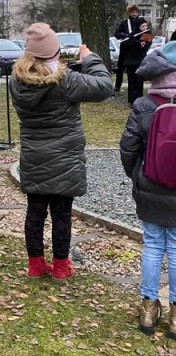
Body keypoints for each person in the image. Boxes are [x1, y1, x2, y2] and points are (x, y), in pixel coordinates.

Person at [9, 23, 113, 281]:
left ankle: (35, 265)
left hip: (34, 156)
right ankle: (61, 267)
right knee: (61, 215)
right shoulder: (66, 81)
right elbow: (104, 85)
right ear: (56, 52)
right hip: (65, 159)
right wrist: (89, 58)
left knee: (35, 212)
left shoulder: (17, 80)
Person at [120, 42, 176, 338]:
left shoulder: (144, 105)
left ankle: (148, 310)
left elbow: (128, 149)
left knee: (153, 245)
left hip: (150, 185)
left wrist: (138, 176)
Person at [114, 4, 145, 93]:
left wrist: (145, 44)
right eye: (132, 12)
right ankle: (117, 86)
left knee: (137, 70)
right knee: (120, 67)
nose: (134, 14)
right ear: (129, 13)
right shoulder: (124, 23)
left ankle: (137, 90)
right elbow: (117, 34)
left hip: (137, 51)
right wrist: (125, 35)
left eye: (136, 12)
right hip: (125, 49)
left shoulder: (142, 22)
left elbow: (148, 34)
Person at [123, 20, 152, 105]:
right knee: (131, 82)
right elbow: (127, 46)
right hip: (130, 62)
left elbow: (145, 47)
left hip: (140, 61)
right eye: (142, 26)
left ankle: (139, 100)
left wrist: (138, 43)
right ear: (138, 27)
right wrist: (131, 39)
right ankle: (131, 101)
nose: (144, 28)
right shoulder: (133, 34)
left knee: (139, 82)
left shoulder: (148, 35)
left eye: (145, 26)